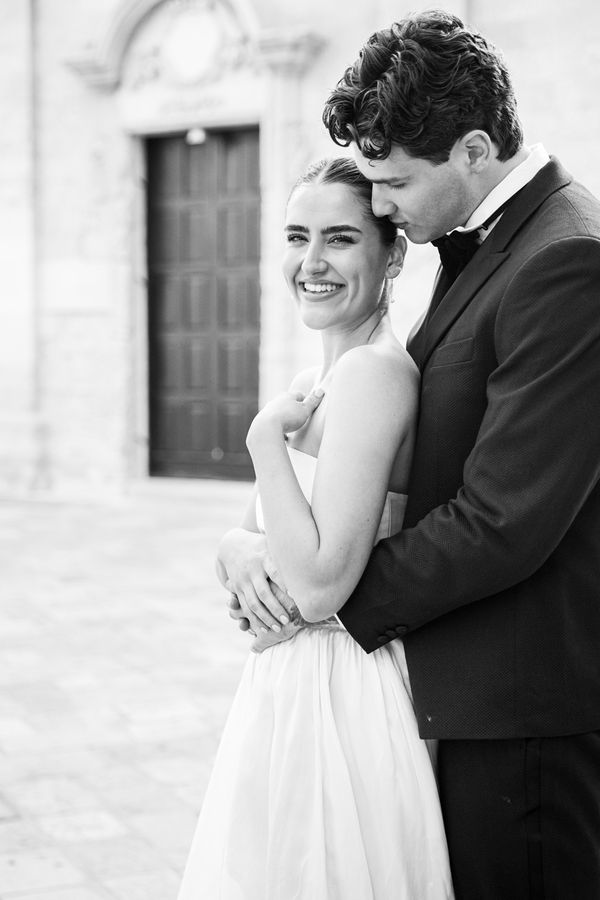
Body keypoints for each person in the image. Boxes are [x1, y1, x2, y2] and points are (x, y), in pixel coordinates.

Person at [221, 10, 600, 900]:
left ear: (474, 149)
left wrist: (320, 603)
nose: (380, 201)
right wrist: (246, 548)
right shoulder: (484, 246)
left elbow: (504, 520)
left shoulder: (566, 258)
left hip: (526, 712)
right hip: (460, 692)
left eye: (392, 185)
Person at [177, 157, 454, 899]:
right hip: (288, 685)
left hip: (340, 694)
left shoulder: (372, 375)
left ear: (391, 253)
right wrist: (233, 548)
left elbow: (316, 581)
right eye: (298, 236)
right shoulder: (316, 383)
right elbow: (255, 545)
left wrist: (264, 442)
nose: (311, 262)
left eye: (340, 239)